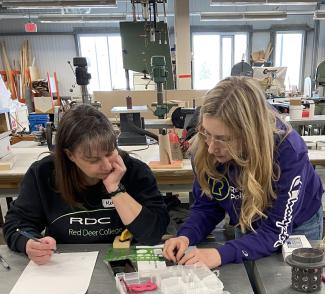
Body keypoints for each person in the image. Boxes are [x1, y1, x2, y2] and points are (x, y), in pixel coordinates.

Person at [163, 76, 324, 269]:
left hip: (296, 226)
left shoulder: (288, 151)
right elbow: (207, 207)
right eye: (207, 133)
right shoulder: (205, 147)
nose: (212, 148)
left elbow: (275, 231)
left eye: (223, 139)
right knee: (247, 280)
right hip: (247, 218)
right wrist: (185, 236)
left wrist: (219, 254)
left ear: (249, 134)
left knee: (283, 288)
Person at [4, 104, 169, 264]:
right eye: (93, 159)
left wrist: (116, 189)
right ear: (69, 155)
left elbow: (153, 233)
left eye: (110, 152)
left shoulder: (134, 171)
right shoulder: (43, 174)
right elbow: (17, 224)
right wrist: (29, 244)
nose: (106, 166)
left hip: (123, 261)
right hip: (65, 264)